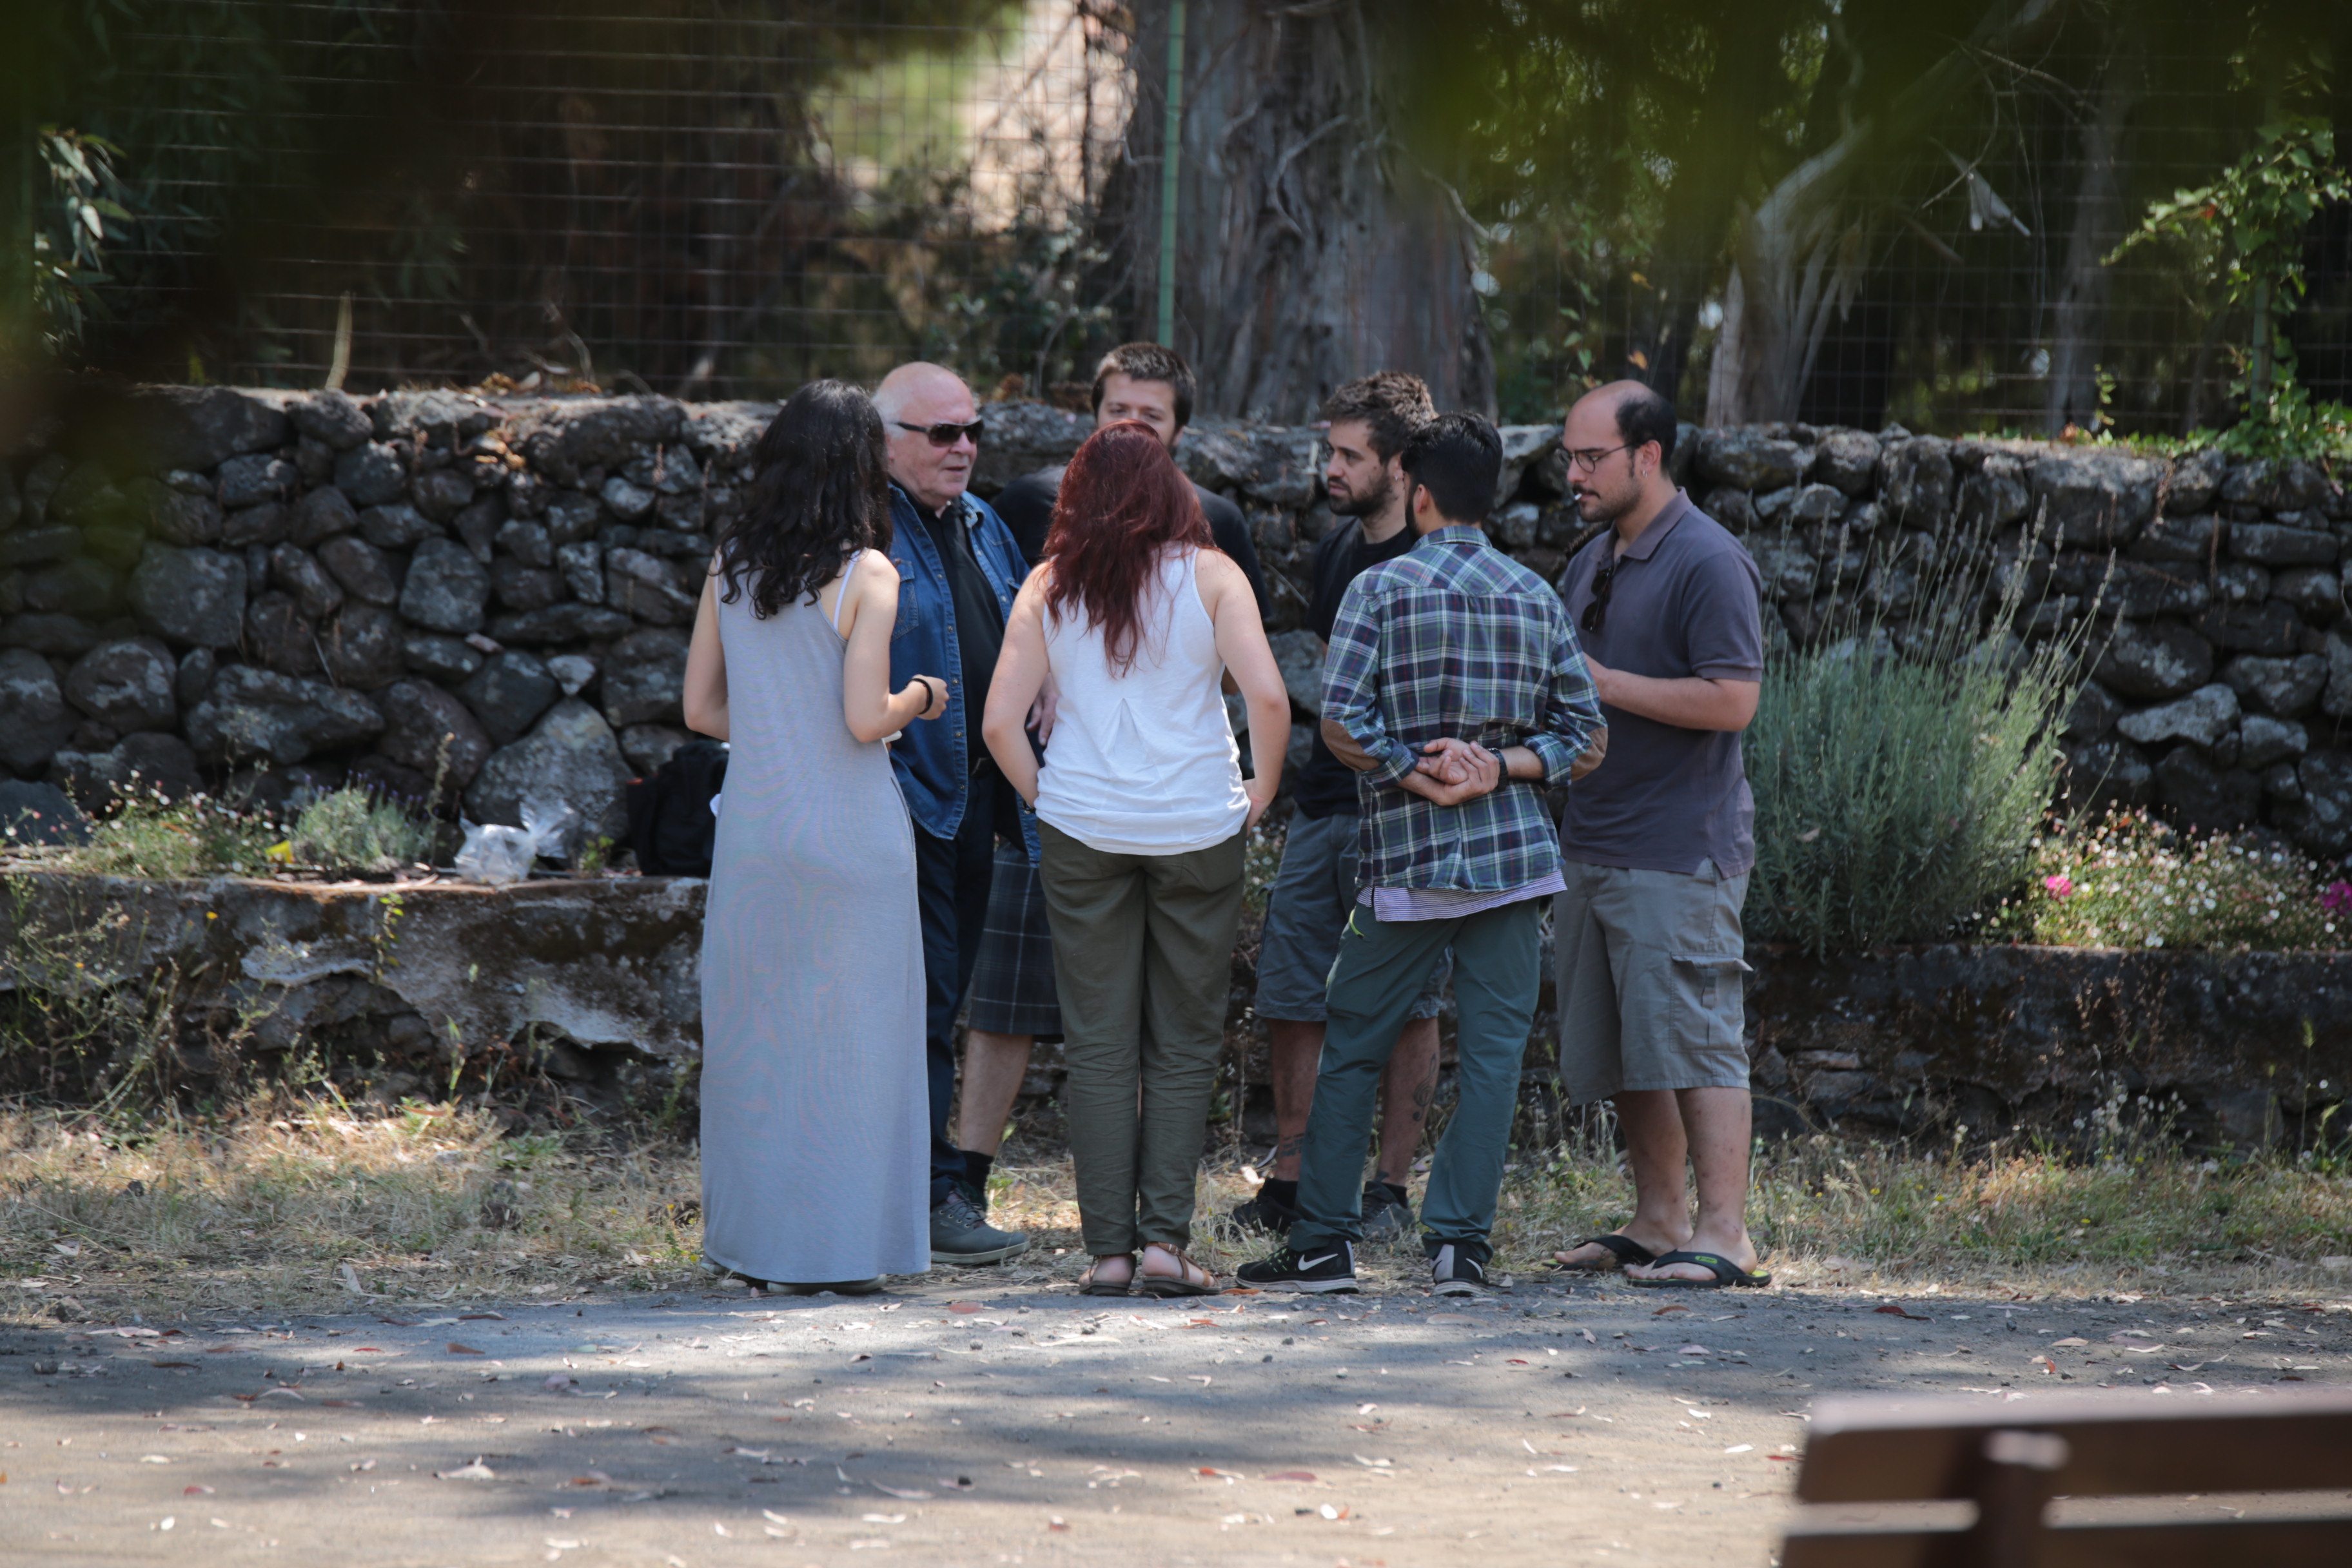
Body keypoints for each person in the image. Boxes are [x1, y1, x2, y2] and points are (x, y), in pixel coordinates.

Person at [1238, 412, 1603, 1298]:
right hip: (1513, 864)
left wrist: (1415, 771)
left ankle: (1323, 1246)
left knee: (1352, 1045)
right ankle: (1460, 1251)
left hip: (1406, 862)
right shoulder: (1535, 595)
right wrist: (1498, 767)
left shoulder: (1380, 589)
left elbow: (1341, 723)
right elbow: (1586, 738)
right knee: (1493, 1059)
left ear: (1420, 493)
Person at [983, 422, 1289, 1298]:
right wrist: (1260, 790)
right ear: (1171, 490)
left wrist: (1047, 798)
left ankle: (1109, 1254)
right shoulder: (1214, 575)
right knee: (1184, 1041)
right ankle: (1164, 1247)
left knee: (1099, 1043)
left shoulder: (1049, 582)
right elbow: (1268, 697)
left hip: (1084, 828)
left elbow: (1000, 723)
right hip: (1196, 825)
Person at [680, 380, 948, 1293]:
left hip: (759, 833)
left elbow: (700, 708)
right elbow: (866, 718)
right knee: (858, 1046)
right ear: (864, 465)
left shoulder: (730, 561)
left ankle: (757, 1248)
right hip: (850, 837)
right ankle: (846, 1251)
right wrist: (923, 697)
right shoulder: (870, 572)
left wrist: (777, 729)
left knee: (759, 1042)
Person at [1546, 382, 1769, 1289]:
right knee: (1633, 1048)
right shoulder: (1593, 556)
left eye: (1590, 458)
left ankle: (1726, 1236)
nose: (1573, 475)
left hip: (1679, 850)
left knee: (1697, 1041)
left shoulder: (1709, 560)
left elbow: (1734, 700)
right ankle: (1659, 1220)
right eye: (1567, 457)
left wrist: (1602, 683)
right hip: (1593, 841)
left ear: (1647, 455)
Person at [1233, 371, 1448, 1242]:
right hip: (1324, 803)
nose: (1332, 469)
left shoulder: (1437, 562)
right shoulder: (1333, 553)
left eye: (1351, 456)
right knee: (1292, 991)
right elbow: (1333, 683)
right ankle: (1291, 1180)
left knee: (1411, 1002)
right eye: (1331, 451)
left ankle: (1389, 1191)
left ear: (1400, 467)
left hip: (1404, 812)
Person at [874, 360, 1032, 1266]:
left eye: (973, 430)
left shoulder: (983, 522)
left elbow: (1027, 633)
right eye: (942, 433)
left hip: (975, 800)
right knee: (921, 1005)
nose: (964, 447)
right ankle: (928, 1198)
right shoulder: (865, 530)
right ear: (886, 440)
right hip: (902, 799)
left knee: (945, 995)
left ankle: (927, 1193)